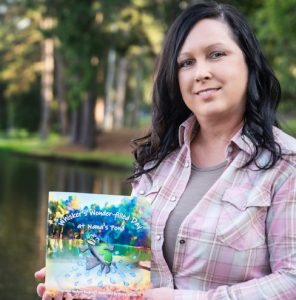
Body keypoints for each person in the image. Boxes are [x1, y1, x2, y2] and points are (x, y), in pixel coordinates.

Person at [35, 1, 296, 299]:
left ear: (249, 62)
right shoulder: (158, 159)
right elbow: (127, 274)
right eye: (186, 63)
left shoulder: (286, 165)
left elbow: (292, 280)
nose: (201, 73)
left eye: (217, 54)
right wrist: (79, 282)